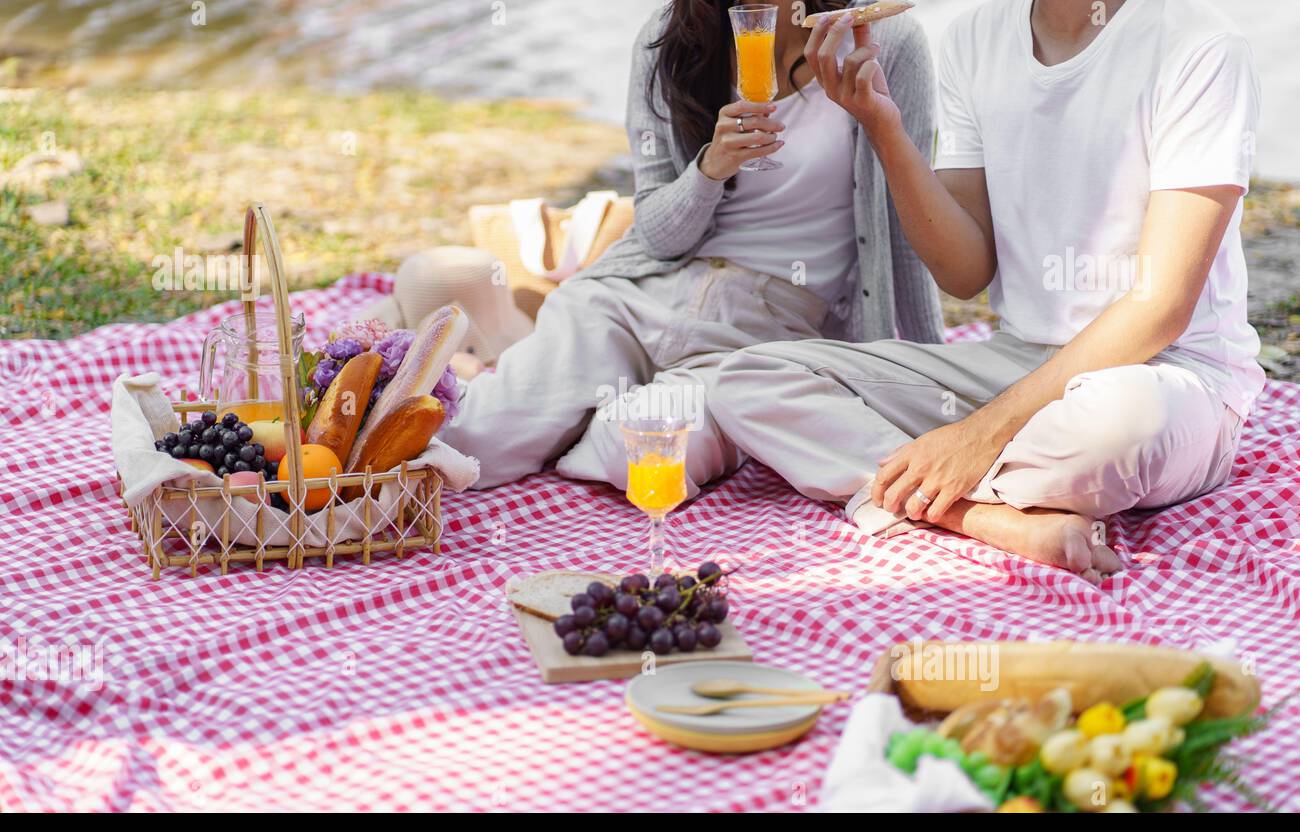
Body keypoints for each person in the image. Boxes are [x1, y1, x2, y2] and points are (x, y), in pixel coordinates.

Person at [711, 0, 1264, 584]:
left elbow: (1161, 307)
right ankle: (979, 516)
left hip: (1166, 374)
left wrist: (978, 435)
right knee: (747, 379)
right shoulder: (974, 36)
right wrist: (882, 123)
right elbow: (964, 272)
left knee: (1124, 425)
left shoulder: (1200, 47)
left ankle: (909, 482)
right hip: (1016, 363)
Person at [440, 0, 944, 494]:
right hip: (638, 298)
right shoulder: (671, 39)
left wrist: (931, 374)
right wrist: (709, 170)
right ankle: (537, 404)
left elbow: (911, 223)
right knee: (474, 441)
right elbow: (658, 238)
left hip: (761, 337)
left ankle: (572, 413)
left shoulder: (881, 41)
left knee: (639, 455)